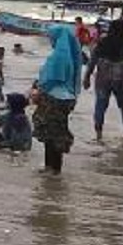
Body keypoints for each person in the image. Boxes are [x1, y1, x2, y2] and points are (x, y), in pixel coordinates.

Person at [33, 25, 82, 174]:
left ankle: (52, 167)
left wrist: (38, 90)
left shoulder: (59, 55)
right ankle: (53, 167)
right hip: (66, 99)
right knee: (57, 133)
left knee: (50, 135)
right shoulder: (70, 55)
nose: (50, 40)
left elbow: (53, 78)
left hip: (53, 98)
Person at [82, 18, 123, 141]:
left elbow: (93, 60)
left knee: (100, 105)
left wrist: (87, 77)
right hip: (122, 79)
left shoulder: (103, 41)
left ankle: (99, 135)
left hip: (102, 79)